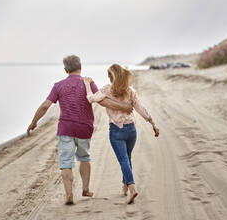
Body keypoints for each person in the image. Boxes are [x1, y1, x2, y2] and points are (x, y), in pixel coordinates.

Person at [27, 55, 133, 205]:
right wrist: (124, 107)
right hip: (85, 128)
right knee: (84, 157)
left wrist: (33, 122)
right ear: (81, 66)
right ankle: (85, 189)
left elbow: (45, 106)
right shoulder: (88, 83)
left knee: (66, 162)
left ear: (65, 70)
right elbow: (102, 100)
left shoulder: (58, 85)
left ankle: (69, 195)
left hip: (66, 128)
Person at [84, 64, 159, 204]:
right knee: (127, 158)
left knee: (123, 160)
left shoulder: (107, 89)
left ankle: (132, 188)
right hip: (131, 130)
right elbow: (140, 108)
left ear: (111, 77)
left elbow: (90, 99)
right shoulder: (130, 91)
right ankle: (125, 186)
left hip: (116, 130)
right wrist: (152, 123)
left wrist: (87, 83)